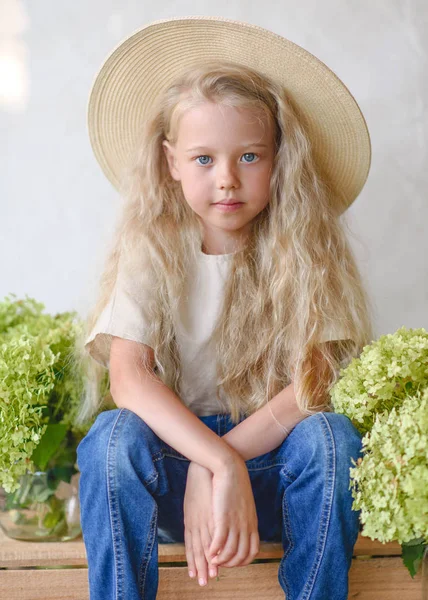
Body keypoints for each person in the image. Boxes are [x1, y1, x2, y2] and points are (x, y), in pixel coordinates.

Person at [74, 16, 375, 600]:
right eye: (204, 159)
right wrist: (210, 462)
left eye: (250, 157)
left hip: (269, 475)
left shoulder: (309, 250)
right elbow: (129, 380)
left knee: (332, 437)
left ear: (280, 158)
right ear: (171, 163)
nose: (227, 180)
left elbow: (313, 382)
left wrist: (229, 463)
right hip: (173, 471)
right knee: (112, 438)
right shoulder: (152, 250)